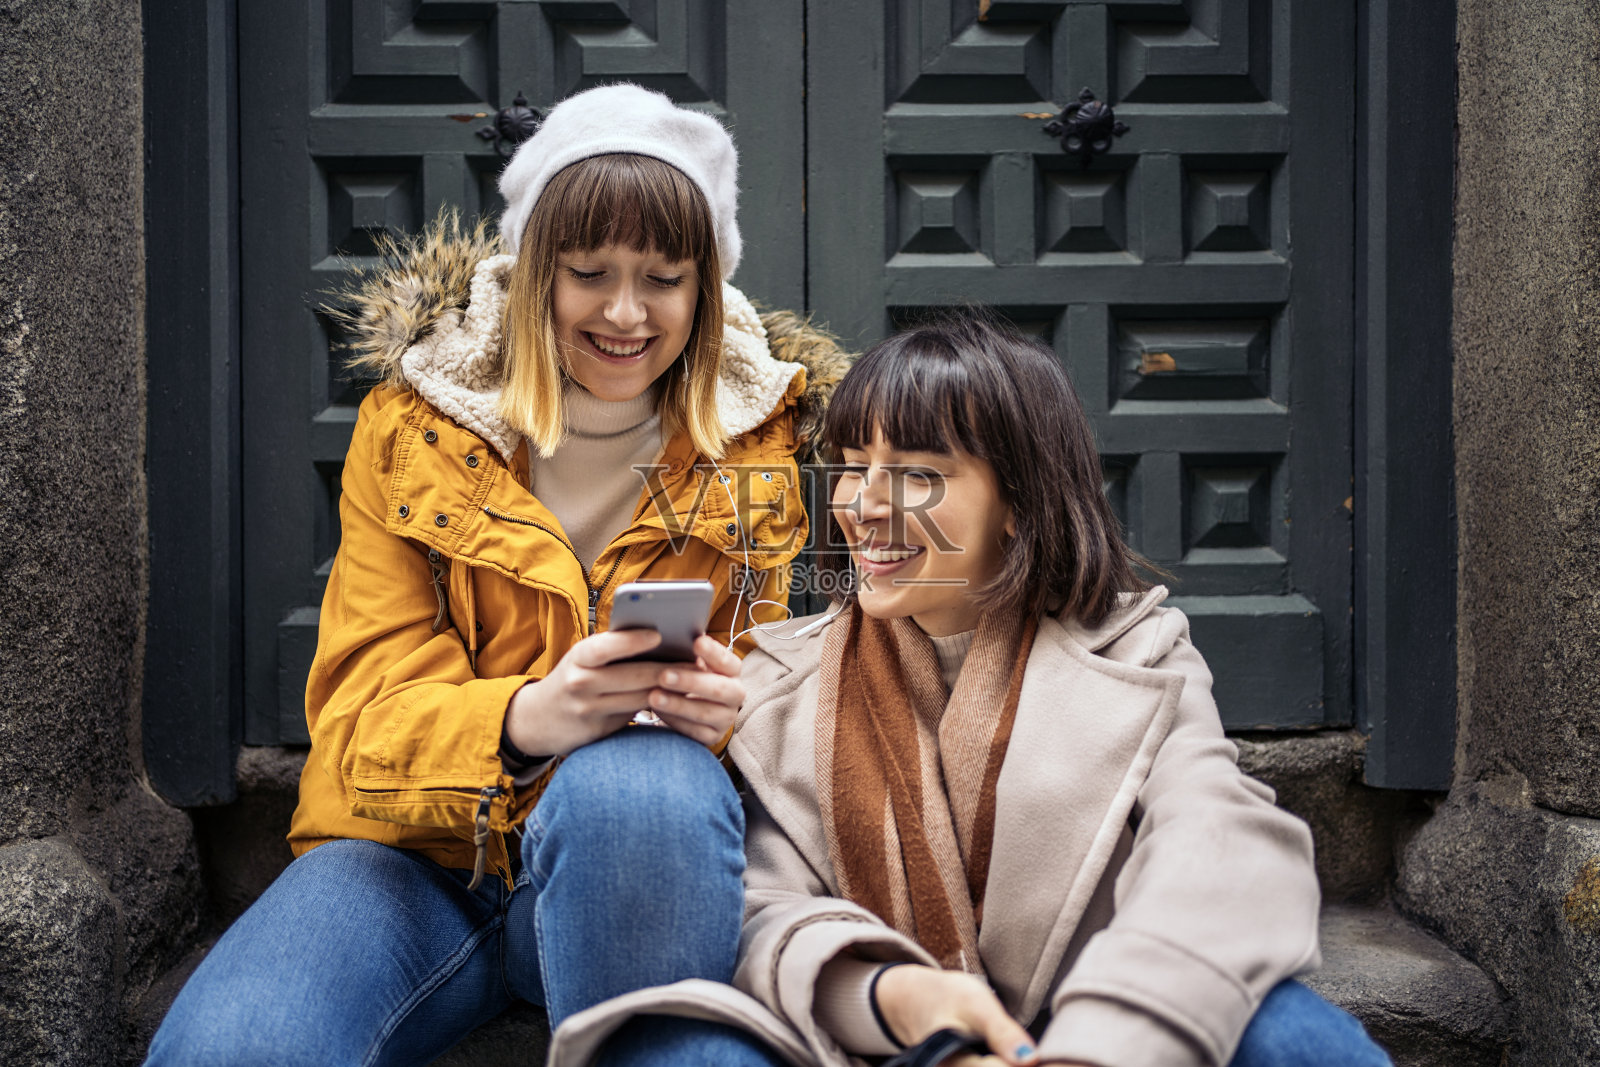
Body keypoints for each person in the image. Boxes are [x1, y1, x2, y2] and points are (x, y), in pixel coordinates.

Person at [145, 83, 846, 1066]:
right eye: (588, 271)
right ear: (532, 273)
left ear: (705, 285)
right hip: (414, 866)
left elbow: (816, 697)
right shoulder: (415, 427)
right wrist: (523, 721)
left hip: (641, 862)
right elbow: (355, 727)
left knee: (638, 787)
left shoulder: (764, 440)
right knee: (236, 1048)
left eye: (663, 277)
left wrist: (743, 715)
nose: (625, 312)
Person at [546, 312, 1391, 1067]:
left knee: (1283, 1028)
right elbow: (761, 909)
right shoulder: (780, 677)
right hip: (890, 1043)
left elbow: (1221, 843)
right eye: (850, 465)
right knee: (681, 1045)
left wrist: (1091, 1049)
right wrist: (904, 1004)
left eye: (916, 474)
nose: (864, 506)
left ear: (1018, 502)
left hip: (1086, 1031)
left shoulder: (1139, 648)